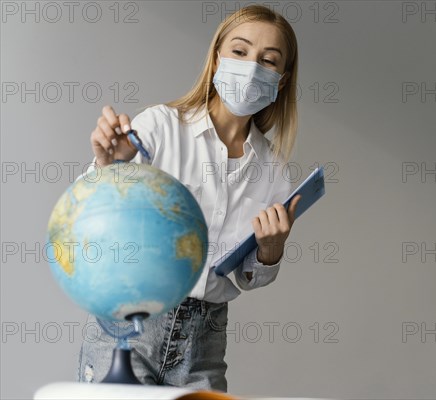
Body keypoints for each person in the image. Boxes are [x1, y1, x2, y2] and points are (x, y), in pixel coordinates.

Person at [77, 5, 301, 392]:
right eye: (240, 51)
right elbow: (89, 215)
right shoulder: (160, 127)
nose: (251, 68)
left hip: (205, 337)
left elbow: (248, 277)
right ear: (216, 60)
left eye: (268, 61)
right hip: (131, 326)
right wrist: (108, 168)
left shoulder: (274, 173)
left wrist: (270, 251)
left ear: (280, 81)